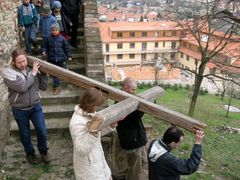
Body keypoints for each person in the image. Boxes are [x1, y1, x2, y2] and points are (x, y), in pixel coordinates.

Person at [2, 49, 50, 164]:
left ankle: (43, 151)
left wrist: (44, 74)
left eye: (24, 61)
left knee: (42, 131)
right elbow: (22, 87)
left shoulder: (31, 69)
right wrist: (33, 73)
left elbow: (43, 87)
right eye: (19, 62)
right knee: (25, 134)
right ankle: (30, 154)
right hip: (19, 109)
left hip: (35, 106)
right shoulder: (9, 74)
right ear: (14, 62)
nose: (23, 64)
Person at [69, 88, 112, 180]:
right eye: (96, 106)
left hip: (97, 161)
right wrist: (92, 133)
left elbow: (97, 135)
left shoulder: (90, 114)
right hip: (88, 169)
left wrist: (110, 126)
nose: (97, 108)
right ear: (90, 104)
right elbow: (81, 149)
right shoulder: (77, 122)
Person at [116, 77, 147, 180]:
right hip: (133, 143)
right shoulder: (122, 103)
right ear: (125, 88)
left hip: (136, 139)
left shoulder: (127, 99)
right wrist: (144, 107)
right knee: (135, 170)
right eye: (132, 90)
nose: (135, 92)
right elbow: (133, 119)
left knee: (138, 167)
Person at [42, 23, 72, 95]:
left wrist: (69, 56)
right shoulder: (48, 39)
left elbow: (67, 49)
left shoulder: (62, 39)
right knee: (55, 74)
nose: (54, 31)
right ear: (51, 31)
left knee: (65, 71)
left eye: (56, 30)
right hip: (52, 59)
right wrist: (44, 51)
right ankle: (57, 87)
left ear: (59, 30)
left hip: (61, 59)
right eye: (53, 30)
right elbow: (44, 46)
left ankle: (71, 82)